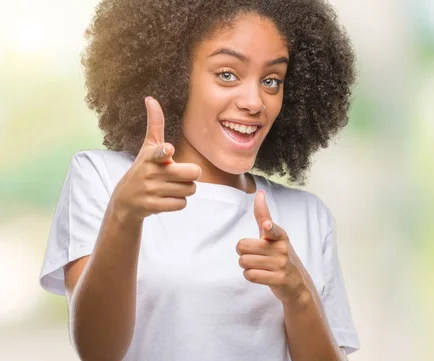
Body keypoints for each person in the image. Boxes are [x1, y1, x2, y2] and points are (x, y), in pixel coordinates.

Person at [39, 0, 359, 360]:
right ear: (173, 73)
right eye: (227, 74)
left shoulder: (307, 217)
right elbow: (97, 352)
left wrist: (299, 293)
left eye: (271, 81)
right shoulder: (102, 178)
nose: (255, 102)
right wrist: (124, 215)